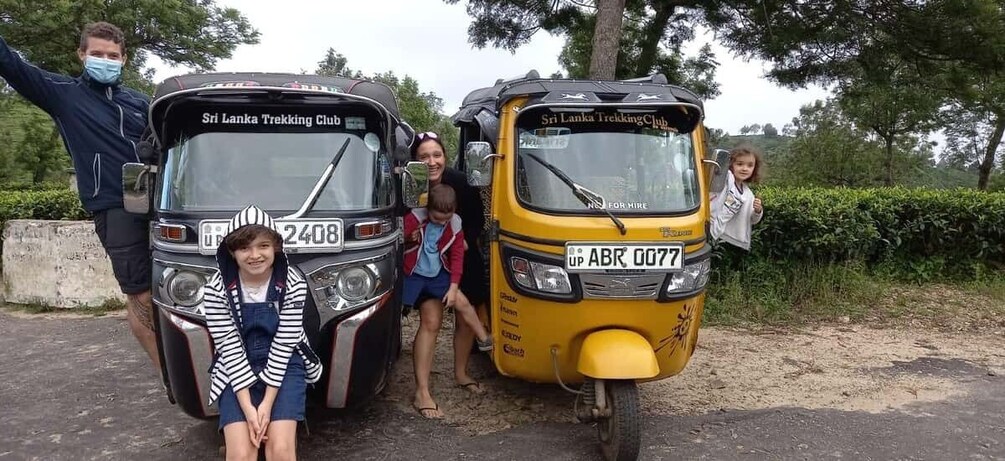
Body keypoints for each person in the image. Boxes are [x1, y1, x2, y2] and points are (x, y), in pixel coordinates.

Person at [0, 23, 158, 369]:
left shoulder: (139, 102)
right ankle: (171, 378)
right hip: (114, 207)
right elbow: (10, 63)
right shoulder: (63, 94)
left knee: (170, 293)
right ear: (82, 55)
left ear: (124, 59)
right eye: (98, 54)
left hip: (158, 206)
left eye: (113, 56)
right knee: (141, 295)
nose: (106, 60)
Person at [203, 205, 323, 461]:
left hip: (285, 363)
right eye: (244, 247)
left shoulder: (293, 282)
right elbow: (229, 347)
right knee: (241, 454)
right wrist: (249, 410)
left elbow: (284, 343)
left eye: (263, 246)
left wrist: (266, 406)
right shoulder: (215, 289)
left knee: (279, 450)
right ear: (231, 252)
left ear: (276, 247)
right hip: (235, 367)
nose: (254, 255)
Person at [408, 131, 490, 419]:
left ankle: (461, 373)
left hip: (458, 256)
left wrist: (463, 237)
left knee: (466, 313)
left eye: (437, 155)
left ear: (444, 156)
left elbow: (477, 219)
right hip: (421, 264)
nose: (431, 161)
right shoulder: (406, 183)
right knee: (431, 320)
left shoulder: (460, 182)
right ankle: (422, 391)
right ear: (414, 161)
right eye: (424, 156)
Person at [403, 183, 493, 354]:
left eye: (447, 219)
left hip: (437, 274)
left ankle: (483, 337)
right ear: (427, 209)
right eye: (437, 219)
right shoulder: (415, 218)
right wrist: (409, 236)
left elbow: (457, 257)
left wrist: (453, 287)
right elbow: (399, 237)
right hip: (412, 273)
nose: (442, 223)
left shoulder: (454, 224)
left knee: (463, 302)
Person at [710, 145, 764, 250]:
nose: (744, 169)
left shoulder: (748, 194)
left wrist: (758, 211)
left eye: (750, 165)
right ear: (731, 165)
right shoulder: (726, 179)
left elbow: (752, 219)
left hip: (726, 240)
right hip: (709, 229)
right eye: (739, 164)